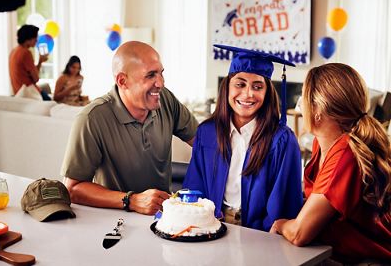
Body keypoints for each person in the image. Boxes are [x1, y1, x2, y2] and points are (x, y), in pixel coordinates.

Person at [270, 63, 391, 264]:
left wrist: (281, 224)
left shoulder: (346, 152)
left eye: (304, 97)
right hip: (338, 253)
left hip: (367, 260)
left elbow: (300, 233)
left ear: (318, 109)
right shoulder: (322, 142)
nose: (300, 104)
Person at [62, 41, 198, 215]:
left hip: (163, 219)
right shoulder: (91, 119)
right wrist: (132, 200)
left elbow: (204, 142)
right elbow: (72, 189)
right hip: (115, 221)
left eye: (161, 73)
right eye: (150, 75)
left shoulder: (165, 100)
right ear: (122, 81)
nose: (161, 83)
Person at [183, 45, 303, 231]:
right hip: (210, 226)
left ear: (267, 93)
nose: (248, 94)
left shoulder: (281, 140)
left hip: (260, 234)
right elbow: (194, 187)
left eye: (257, 87)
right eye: (240, 84)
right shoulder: (207, 133)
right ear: (227, 88)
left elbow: (283, 203)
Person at [9, 24, 50, 100]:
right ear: (29, 39)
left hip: (18, 93)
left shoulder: (14, 51)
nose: (37, 40)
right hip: (28, 93)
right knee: (53, 105)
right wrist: (40, 62)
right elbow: (36, 79)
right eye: (35, 38)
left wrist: (40, 61)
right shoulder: (26, 53)